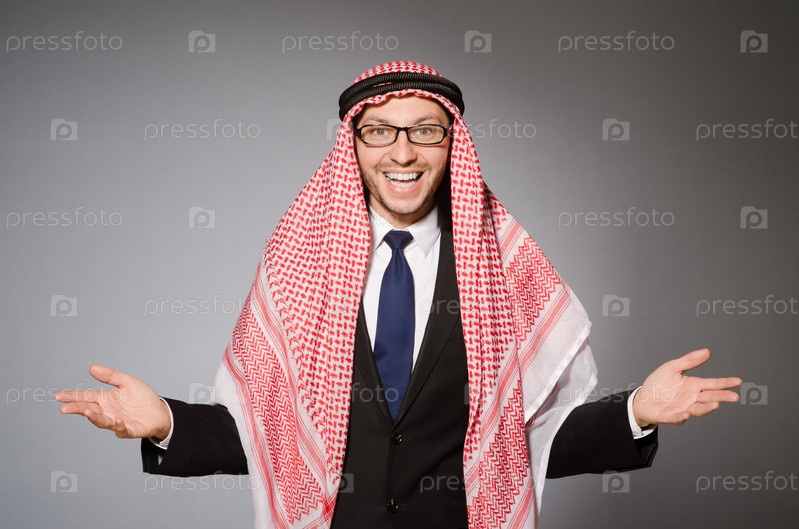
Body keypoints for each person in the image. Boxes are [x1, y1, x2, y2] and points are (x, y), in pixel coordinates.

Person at [56, 61, 742, 529]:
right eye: (380, 131)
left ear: (452, 143)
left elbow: (528, 440)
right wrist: (166, 422)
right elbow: (269, 438)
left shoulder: (504, 272)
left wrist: (634, 412)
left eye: (425, 131)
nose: (403, 152)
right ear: (352, 145)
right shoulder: (298, 265)